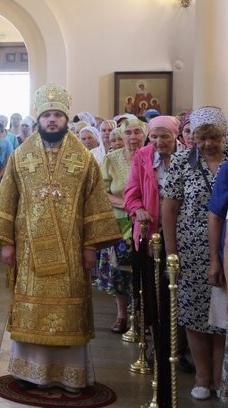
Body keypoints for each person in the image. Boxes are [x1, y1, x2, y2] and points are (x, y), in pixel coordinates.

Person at [0, 83, 121, 393]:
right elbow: (7, 200)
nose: (53, 120)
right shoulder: (21, 155)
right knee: (31, 309)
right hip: (29, 251)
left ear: (66, 118)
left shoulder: (83, 158)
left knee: (69, 311)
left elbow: (94, 203)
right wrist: (7, 243)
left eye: (58, 115)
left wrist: (90, 246)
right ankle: (29, 373)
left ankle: (70, 375)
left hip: (71, 251)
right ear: (39, 119)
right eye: (47, 115)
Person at [162, 106, 228, 400]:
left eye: (214, 137)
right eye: (201, 138)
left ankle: (219, 377)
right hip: (190, 249)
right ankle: (202, 376)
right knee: (194, 313)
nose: (208, 144)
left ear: (224, 135)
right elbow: (170, 208)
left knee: (222, 314)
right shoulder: (181, 161)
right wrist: (171, 252)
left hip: (226, 247)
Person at [123, 115, 181, 408]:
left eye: (164, 137)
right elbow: (131, 193)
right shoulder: (144, 156)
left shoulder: (187, 157)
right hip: (149, 237)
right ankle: (159, 346)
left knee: (175, 300)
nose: (158, 143)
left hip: (180, 238)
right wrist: (138, 210)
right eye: (154, 137)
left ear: (176, 137)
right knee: (153, 299)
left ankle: (176, 349)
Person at [97, 118, 147, 334]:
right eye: (128, 133)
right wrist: (128, 205)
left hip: (147, 221)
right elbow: (101, 191)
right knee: (119, 271)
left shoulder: (151, 156)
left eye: (137, 132)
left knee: (144, 269)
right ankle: (121, 315)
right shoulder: (111, 159)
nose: (133, 137)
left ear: (145, 134)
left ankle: (143, 314)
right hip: (120, 221)